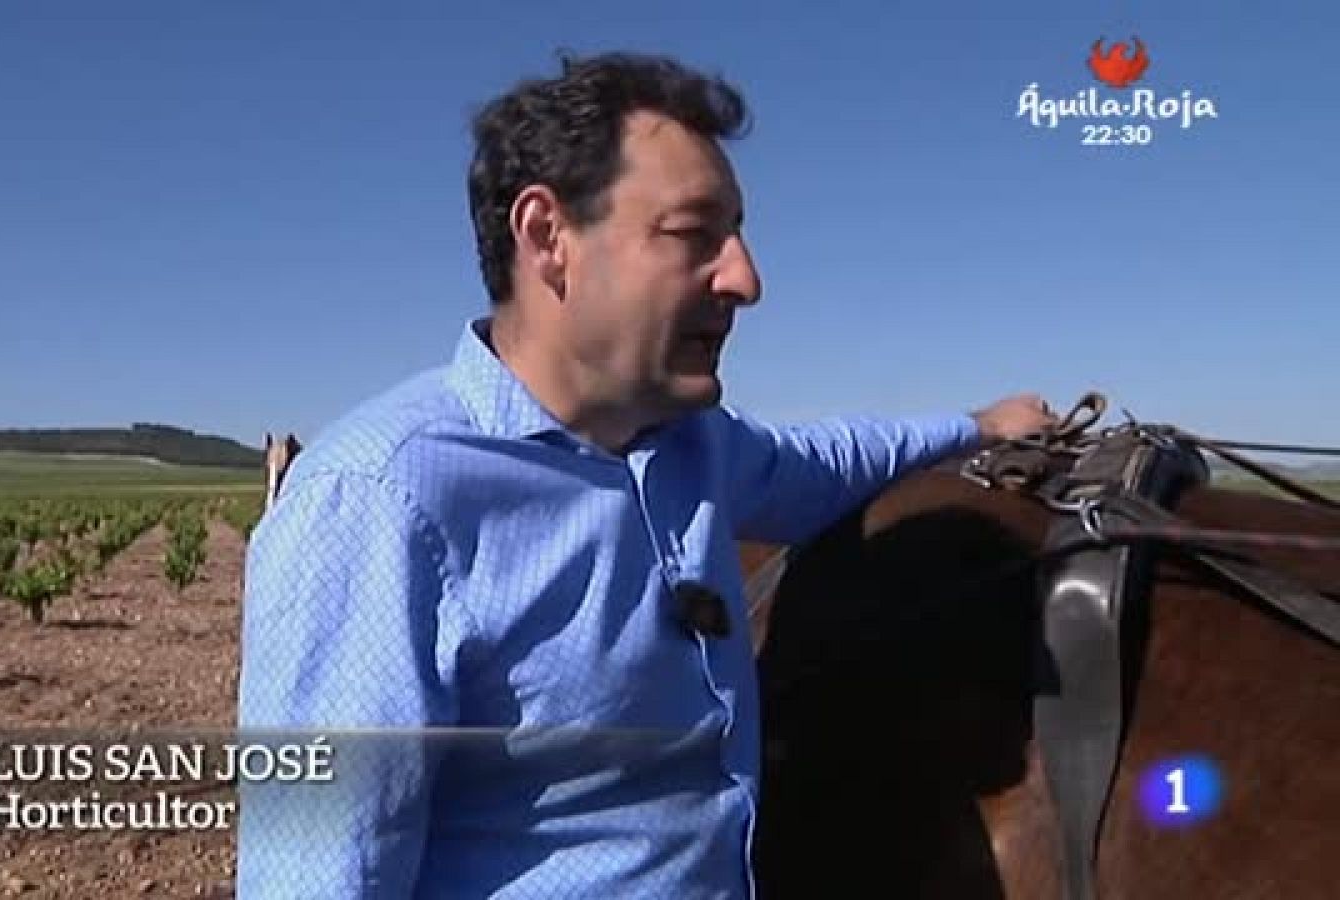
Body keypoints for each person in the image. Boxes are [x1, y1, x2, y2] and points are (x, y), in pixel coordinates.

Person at [236, 51, 1056, 898]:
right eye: (692, 233)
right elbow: (321, 876)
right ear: (548, 237)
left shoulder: (689, 445)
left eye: (736, 233)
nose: (746, 278)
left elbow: (828, 461)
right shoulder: (379, 502)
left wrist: (979, 427)